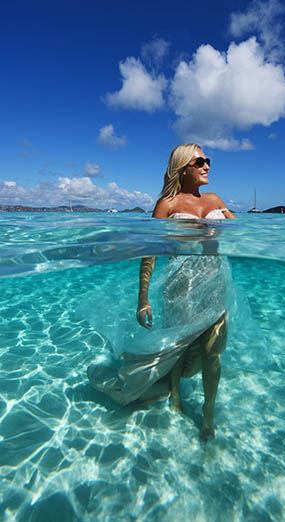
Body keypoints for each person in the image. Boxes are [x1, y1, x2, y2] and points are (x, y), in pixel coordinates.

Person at [87, 143, 235, 441]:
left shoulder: (216, 199)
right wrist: (143, 297)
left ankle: (208, 413)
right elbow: (149, 252)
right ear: (183, 168)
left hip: (215, 282)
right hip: (182, 286)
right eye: (201, 161)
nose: (208, 166)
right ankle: (175, 393)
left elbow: (243, 234)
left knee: (212, 352)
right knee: (177, 346)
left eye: (209, 160)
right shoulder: (167, 205)